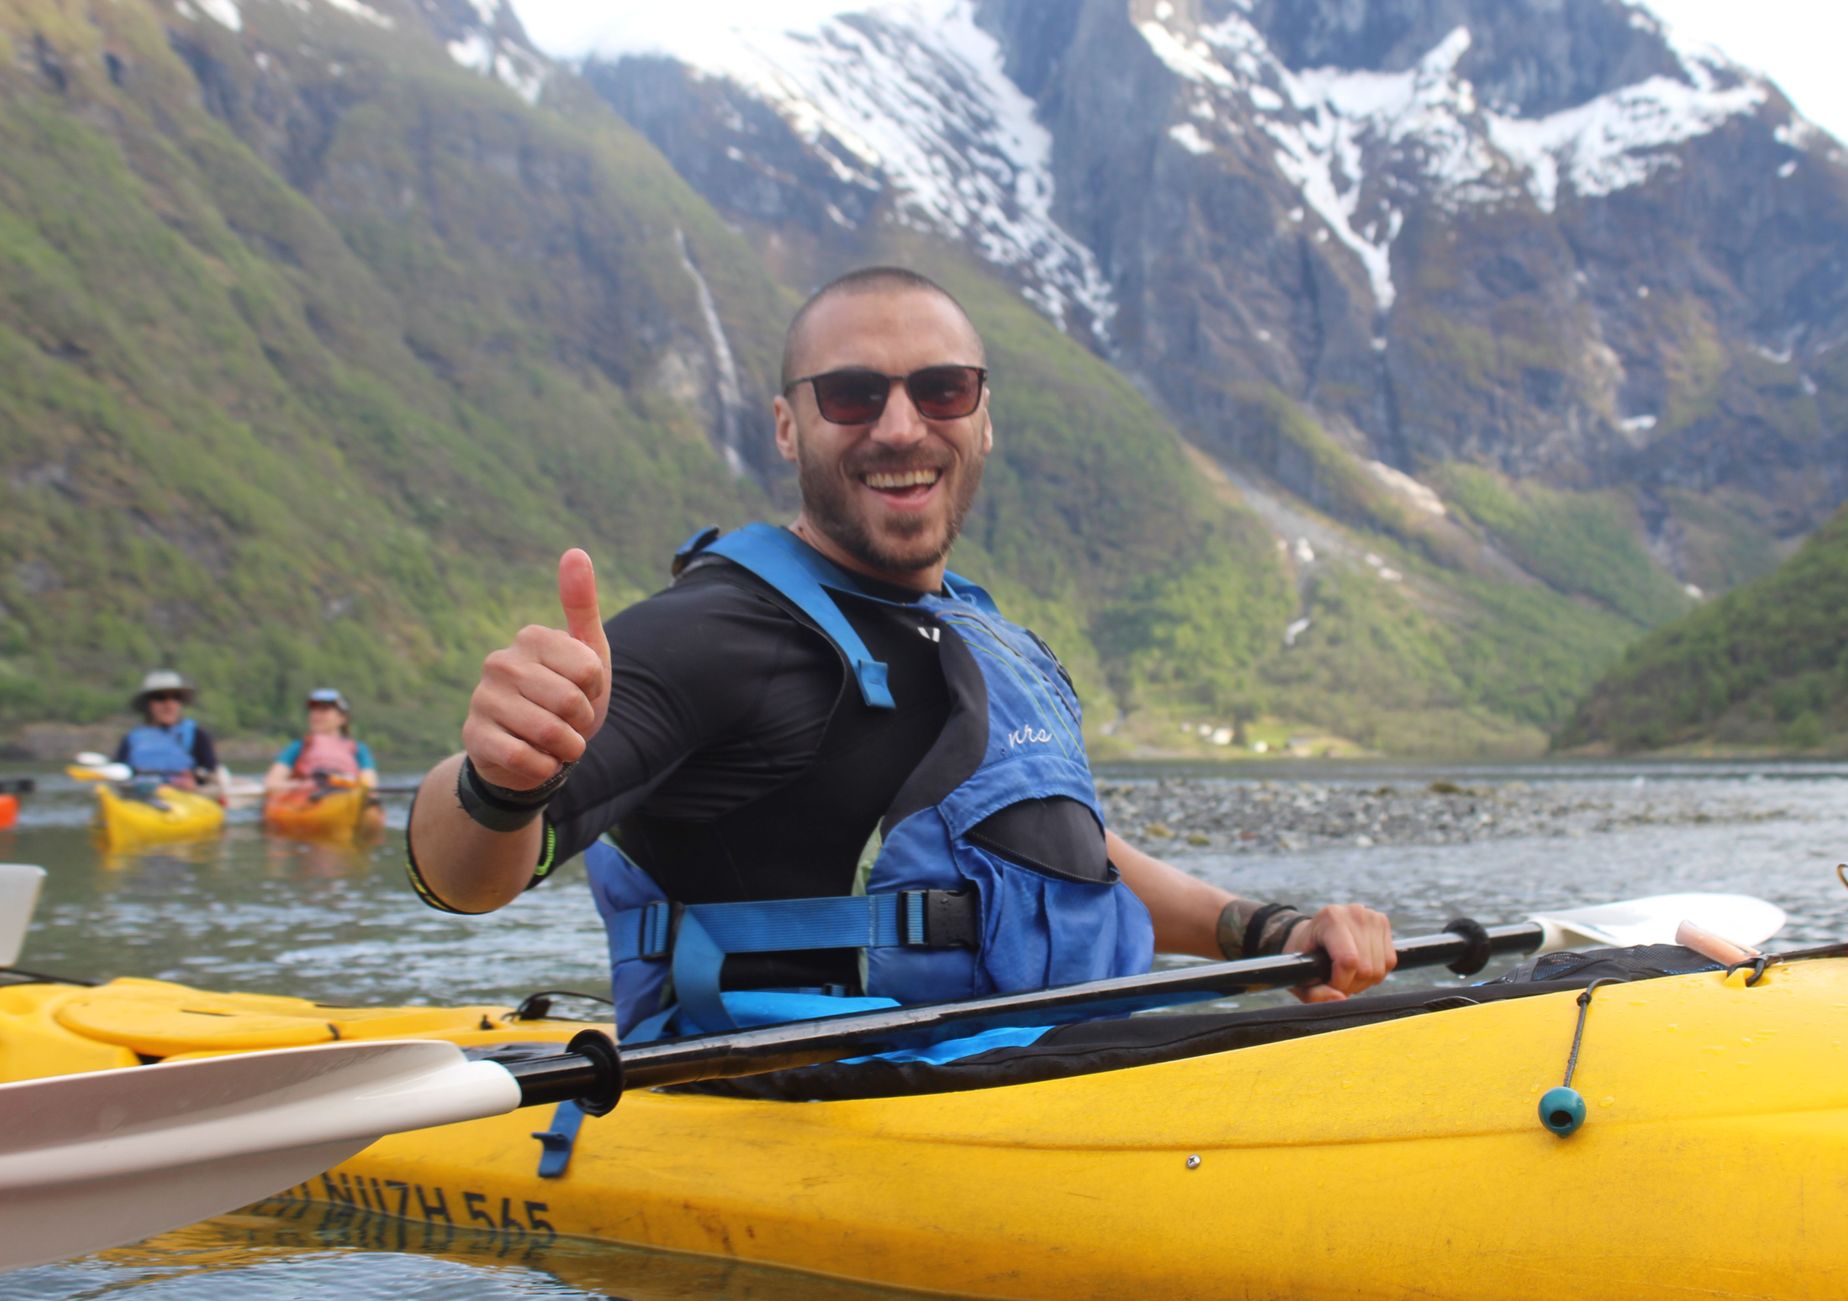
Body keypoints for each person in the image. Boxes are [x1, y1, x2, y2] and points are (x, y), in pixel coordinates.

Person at [407, 266, 1395, 1041]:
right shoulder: (712, 633)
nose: (897, 425)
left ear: (982, 416)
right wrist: (499, 778)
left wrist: (1266, 930)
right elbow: (461, 878)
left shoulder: (981, 633)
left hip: (1057, 1067)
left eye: (941, 388)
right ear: (788, 427)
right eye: (849, 394)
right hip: (819, 1110)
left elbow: (1069, 861)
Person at [115, 670, 224, 795]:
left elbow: (211, 772)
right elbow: (120, 775)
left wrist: (196, 779)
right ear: (148, 703)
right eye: (160, 698)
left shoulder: (197, 735)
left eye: (175, 698)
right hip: (143, 796)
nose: (169, 704)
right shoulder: (131, 739)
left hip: (186, 798)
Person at [262, 688, 380, 796]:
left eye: (324, 709)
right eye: (313, 710)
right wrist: (303, 786)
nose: (315, 715)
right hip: (307, 798)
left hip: (346, 794)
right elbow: (272, 783)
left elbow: (369, 785)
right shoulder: (298, 747)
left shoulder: (358, 749)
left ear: (342, 718)